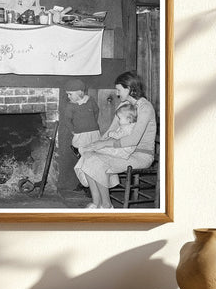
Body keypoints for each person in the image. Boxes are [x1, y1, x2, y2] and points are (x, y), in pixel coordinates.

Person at [74, 72, 156, 209]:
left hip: (141, 155)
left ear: (129, 88)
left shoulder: (145, 108)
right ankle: (97, 203)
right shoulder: (123, 106)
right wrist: (95, 144)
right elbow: (111, 130)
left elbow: (133, 139)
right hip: (121, 150)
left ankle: (106, 205)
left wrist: (105, 144)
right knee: (88, 156)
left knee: (97, 162)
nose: (117, 94)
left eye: (119, 90)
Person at [63, 78, 100, 157]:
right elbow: (67, 119)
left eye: (70, 94)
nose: (68, 96)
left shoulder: (90, 101)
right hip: (80, 132)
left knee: (94, 149)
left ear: (79, 92)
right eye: (67, 94)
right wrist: (72, 130)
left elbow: (96, 111)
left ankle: (90, 165)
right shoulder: (70, 106)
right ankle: (80, 156)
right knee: (83, 150)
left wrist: (93, 122)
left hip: (93, 131)